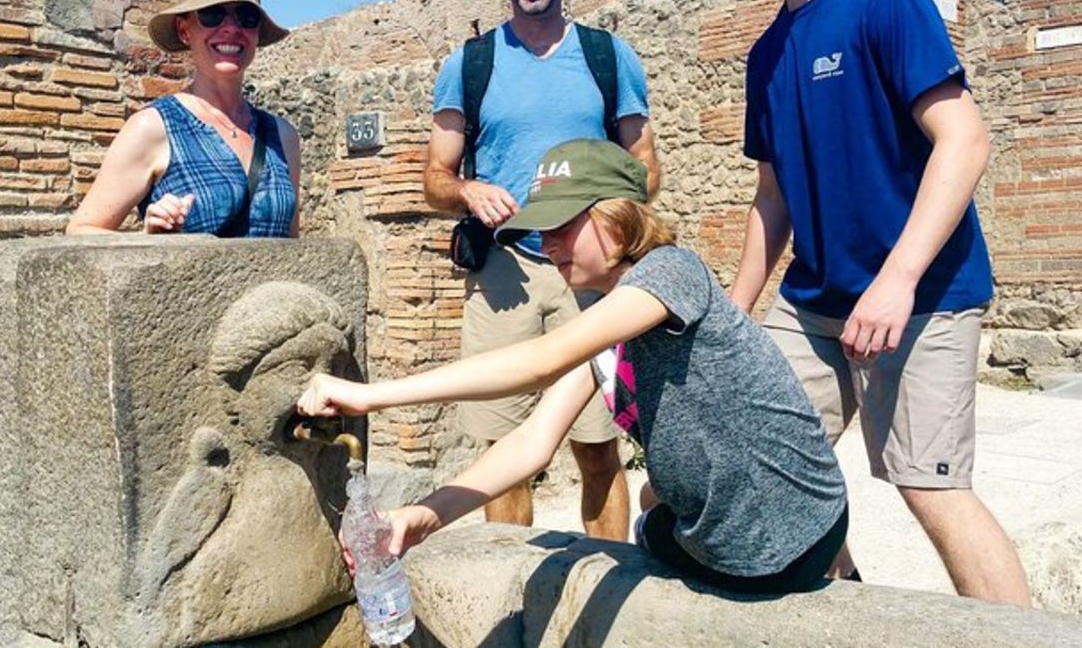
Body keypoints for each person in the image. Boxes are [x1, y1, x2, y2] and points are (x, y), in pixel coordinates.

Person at [693, 0, 1030, 605]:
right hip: (815, 300)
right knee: (759, 455)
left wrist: (897, 279)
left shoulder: (884, 2)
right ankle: (846, 599)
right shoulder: (766, 53)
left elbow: (965, 140)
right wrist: (733, 314)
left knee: (929, 485)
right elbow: (772, 197)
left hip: (924, 294)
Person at [300, 139, 847, 592]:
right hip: (765, 534)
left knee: (651, 519)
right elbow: (531, 444)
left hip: (779, 544)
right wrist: (423, 516)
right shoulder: (603, 318)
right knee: (656, 501)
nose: (549, 244)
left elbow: (543, 361)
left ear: (618, 216)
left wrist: (370, 395)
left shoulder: (670, 271)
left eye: (563, 224)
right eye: (541, 229)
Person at [422, 0, 660, 542]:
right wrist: (468, 190)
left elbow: (644, 167)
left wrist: (603, 222)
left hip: (591, 275)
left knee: (599, 448)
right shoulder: (469, 64)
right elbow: (434, 179)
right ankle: (514, 586)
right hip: (506, 272)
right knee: (503, 455)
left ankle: (609, 579)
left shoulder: (609, 57)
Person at [66, 0, 300, 237]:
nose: (231, 28)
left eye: (246, 16)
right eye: (212, 15)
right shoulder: (153, 127)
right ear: (184, 30)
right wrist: (147, 240)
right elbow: (80, 231)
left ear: (257, 32)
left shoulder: (283, 137)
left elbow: (294, 248)